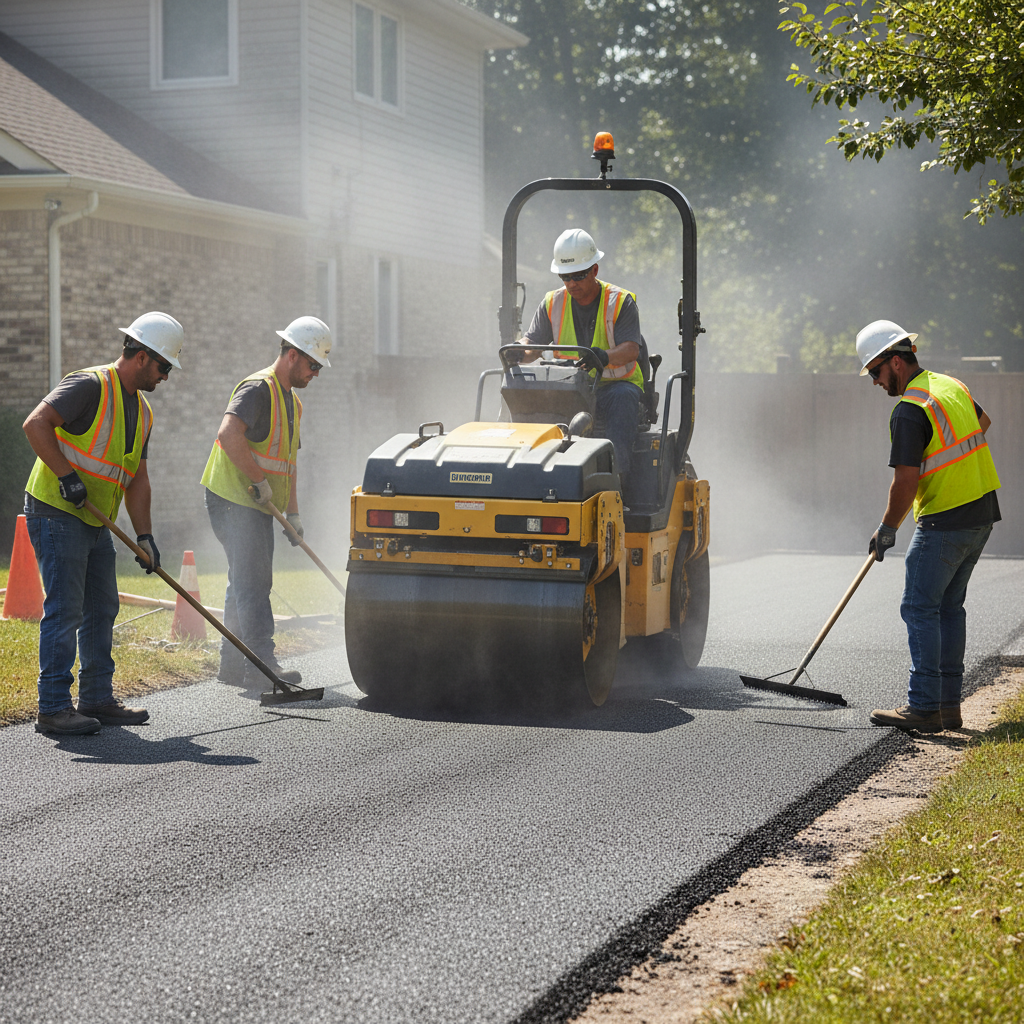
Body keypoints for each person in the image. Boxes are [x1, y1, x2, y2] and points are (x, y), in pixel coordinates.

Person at [22, 311, 184, 735]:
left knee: (102, 607)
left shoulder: (143, 413)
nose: (166, 376)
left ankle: (96, 697)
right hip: (57, 512)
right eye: (164, 366)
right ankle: (53, 707)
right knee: (65, 610)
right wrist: (66, 477)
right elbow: (35, 424)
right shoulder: (89, 385)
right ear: (143, 356)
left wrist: (145, 535)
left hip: (96, 521)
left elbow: (137, 479)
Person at [859, 320, 1001, 733]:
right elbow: (983, 423)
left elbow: (905, 480)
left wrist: (887, 528)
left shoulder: (909, 410)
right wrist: (949, 462)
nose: (873, 382)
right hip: (981, 513)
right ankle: (948, 707)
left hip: (944, 521)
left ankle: (923, 707)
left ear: (896, 363)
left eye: (875, 372)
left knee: (919, 607)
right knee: (948, 609)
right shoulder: (949, 386)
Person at [201, 316, 331, 689]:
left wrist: (293, 513)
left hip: (255, 502)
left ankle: (232, 665)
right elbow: (228, 433)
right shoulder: (258, 389)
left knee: (242, 580)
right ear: (292, 355)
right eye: (313, 365)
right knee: (254, 581)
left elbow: (288, 463)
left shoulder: (294, 404)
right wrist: (257, 480)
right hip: (231, 497)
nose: (316, 373)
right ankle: (263, 667)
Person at [513, 228, 644, 485]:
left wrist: (603, 357)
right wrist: (520, 349)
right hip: (567, 389)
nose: (571, 283)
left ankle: (615, 482)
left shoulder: (620, 302)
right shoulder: (552, 303)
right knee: (524, 390)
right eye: (565, 276)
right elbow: (532, 346)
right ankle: (524, 476)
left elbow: (631, 349)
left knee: (623, 398)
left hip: (612, 388)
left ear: (594, 270)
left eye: (578, 276)